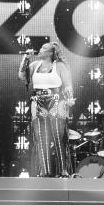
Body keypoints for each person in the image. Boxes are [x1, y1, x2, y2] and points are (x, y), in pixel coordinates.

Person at [17, 42, 75, 177]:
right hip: (37, 102)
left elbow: (67, 85)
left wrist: (69, 98)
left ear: (51, 53)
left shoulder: (59, 66)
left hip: (56, 101)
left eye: (43, 48)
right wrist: (25, 58)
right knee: (41, 137)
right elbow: (22, 77)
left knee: (58, 136)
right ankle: (45, 170)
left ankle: (63, 170)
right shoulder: (34, 65)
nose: (40, 49)